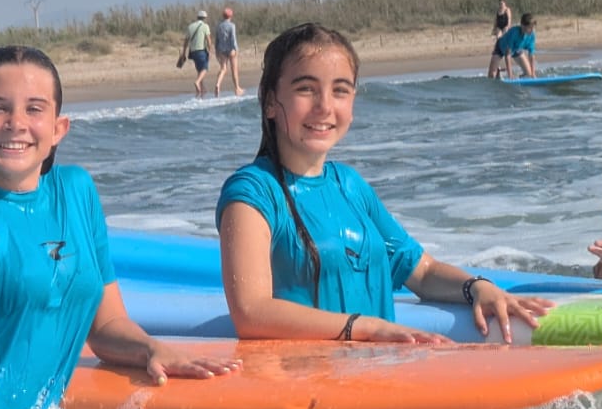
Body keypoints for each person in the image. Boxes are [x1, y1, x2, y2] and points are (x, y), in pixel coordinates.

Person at [0, 45, 234, 409]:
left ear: (59, 128)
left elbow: (107, 325)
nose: (16, 123)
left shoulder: (76, 191)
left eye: (34, 109)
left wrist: (151, 349)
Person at [218, 23, 554, 344]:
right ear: (270, 102)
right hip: (305, 380)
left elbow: (422, 272)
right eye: (305, 89)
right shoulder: (253, 193)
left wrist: (478, 288)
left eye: (340, 90)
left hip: (378, 373)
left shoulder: (349, 185)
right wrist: (365, 327)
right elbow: (251, 312)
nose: (325, 107)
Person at [176, 9, 212, 98]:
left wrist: (184, 52)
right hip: (201, 50)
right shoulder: (205, 26)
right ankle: (197, 82)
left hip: (193, 52)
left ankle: (201, 88)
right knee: (205, 68)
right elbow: (208, 40)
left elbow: (186, 41)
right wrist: (210, 51)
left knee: (199, 69)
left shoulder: (190, 26)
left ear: (197, 17)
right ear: (205, 18)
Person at [213, 5, 242, 97]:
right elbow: (233, 38)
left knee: (223, 68)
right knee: (234, 69)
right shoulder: (232, 25)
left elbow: (217, 39)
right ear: (231, 16)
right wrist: (236, 49)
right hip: (231, 49)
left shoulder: (219, 26)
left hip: (221, 49)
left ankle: (218, 84)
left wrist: (216, 50)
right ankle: (237, 88)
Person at [486, 0, 512, 78]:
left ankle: (502, 51)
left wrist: (508, 27)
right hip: (499, 27)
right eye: (500, 4)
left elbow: (509, 19)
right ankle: (498, 64)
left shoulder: (507, 10)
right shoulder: (498, 11)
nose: (501, 5)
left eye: (502, 4)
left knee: (503, 37)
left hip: (505, 27)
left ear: (505, 4)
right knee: (498, 37)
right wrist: (493, 29)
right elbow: (496, 21)